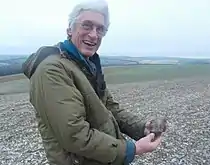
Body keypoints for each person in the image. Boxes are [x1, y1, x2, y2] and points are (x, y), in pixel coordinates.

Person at [22, 0, 167, 165]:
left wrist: (141, 128)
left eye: (100, 29)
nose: (94, 35)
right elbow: (74, 134)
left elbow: (109, 108)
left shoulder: (85, 65)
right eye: (87, 25)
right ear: (69, 29)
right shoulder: (52, 71)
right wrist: (131, 149)